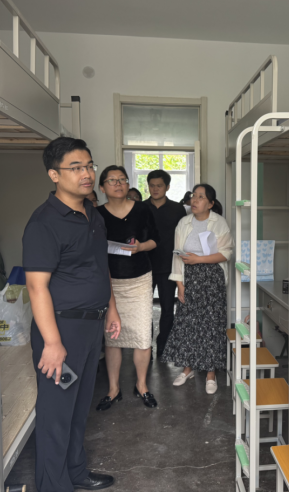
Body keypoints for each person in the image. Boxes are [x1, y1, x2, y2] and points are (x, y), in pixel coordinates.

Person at [23, 137, 121, 492]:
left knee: (79, 408)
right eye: (76, 168)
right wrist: (52, 342)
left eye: (89, 166)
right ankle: (54, 486)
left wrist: (111, 308)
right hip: (62, 328)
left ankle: (76, 472)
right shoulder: (44, 222)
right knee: (56, 414)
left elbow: (99, 265)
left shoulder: (92, 214)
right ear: (54, 175)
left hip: (91, 327)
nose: (87, 174)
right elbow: (36, 287)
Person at [96, 166, 160, 410]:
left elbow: (156, 240)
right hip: (110, 282)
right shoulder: (96, 214)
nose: (118, 184)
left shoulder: (143, 209)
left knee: (143, 336)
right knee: (113, 338)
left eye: (122, 179)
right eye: (112, 180)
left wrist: (141, 247)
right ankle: (114, 389)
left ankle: (141, 385)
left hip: (139, 279)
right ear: (102, 187)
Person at [162, 184, 232, 395]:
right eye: (194, 196)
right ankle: (188, 369)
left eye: (201, 197)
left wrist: (199, 260)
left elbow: (226, 253)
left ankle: (210, 373)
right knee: (187, 324)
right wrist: (179, 285)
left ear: (210, 203)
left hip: (212, 278)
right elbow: (177, 255)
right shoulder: (183, 223)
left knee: (211, 325)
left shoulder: (219, 222)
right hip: (189, 277)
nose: (195, 200)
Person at [146, 170, 187, 357]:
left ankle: (163, 345)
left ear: (167, 187)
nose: (155, 189)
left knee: (167, 308)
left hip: (169, 266)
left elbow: (182, 238)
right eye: (152, 185)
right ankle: (146, 346)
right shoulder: (140, 207)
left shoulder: (177, 209)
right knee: (144, 310)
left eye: (159, 185)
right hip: (144, 266)